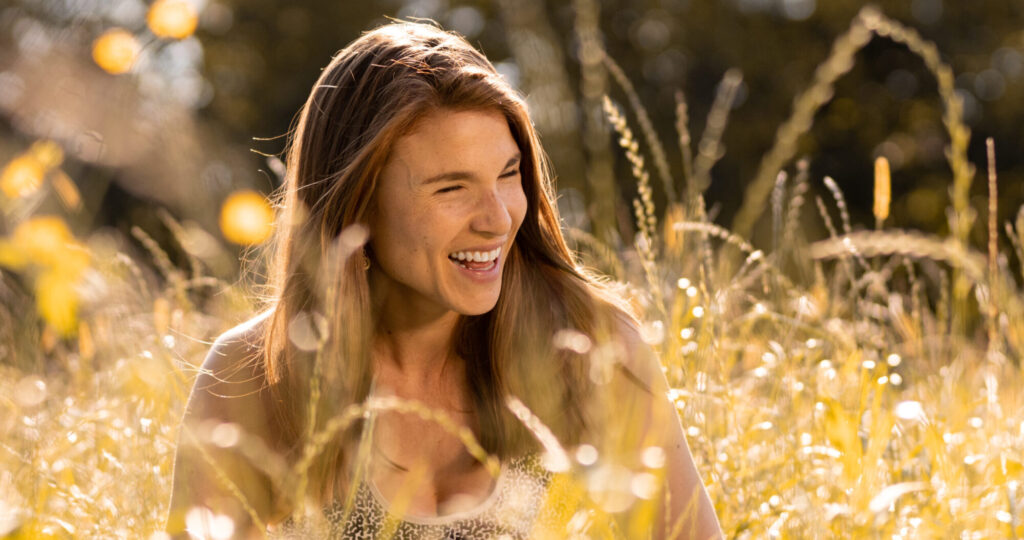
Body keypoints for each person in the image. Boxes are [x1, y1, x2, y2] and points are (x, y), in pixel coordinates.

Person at [166, 21, 722, 539]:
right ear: (358, 207)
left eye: (508, 175)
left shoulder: (588, 347)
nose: (498, 218)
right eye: (451, 188)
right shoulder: (255, 375)